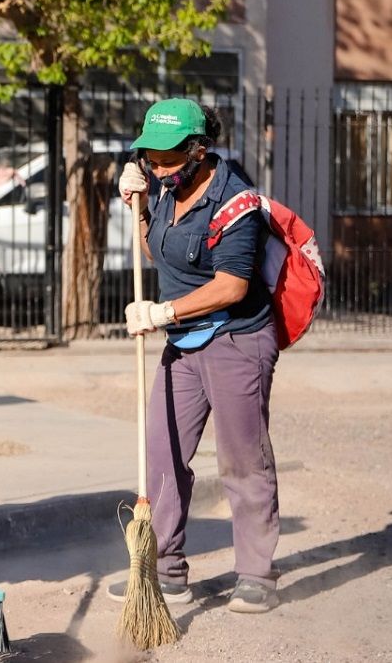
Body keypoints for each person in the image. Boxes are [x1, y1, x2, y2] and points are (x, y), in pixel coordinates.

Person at [106, 98, 282, 613]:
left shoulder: (236, 202)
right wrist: (135, 207)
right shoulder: (163, 190)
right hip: (183, 343)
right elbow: (154, 251)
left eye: (166, 159)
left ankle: (256, 574)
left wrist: (162, 312)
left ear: (198, 150)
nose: (156, 167)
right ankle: (164, 572)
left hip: (236, 340)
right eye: (148, 158)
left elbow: (231, 286)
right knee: (162, 455)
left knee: (241, 458)